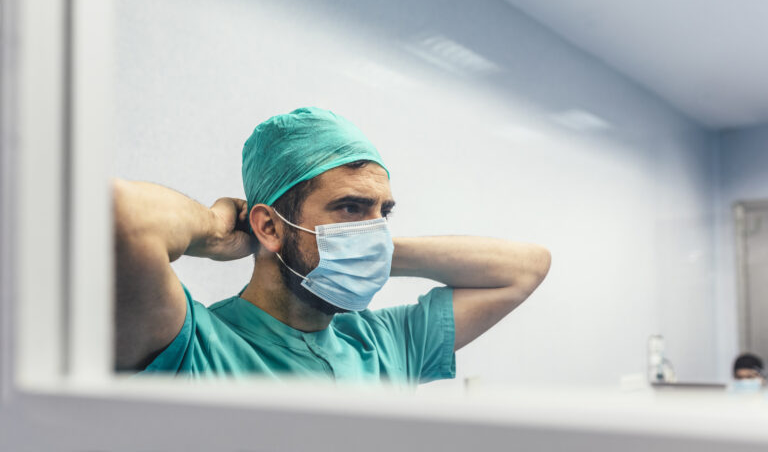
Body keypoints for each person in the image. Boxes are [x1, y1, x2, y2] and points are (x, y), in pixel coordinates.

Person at [113, 107, 551, 386]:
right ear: (268, 225)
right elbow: (124, 216)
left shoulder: (382, 344)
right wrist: (212, 228)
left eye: (384, 213)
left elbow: (525, 268)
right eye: (350, 208)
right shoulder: (195, 346)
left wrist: (371, 247)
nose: (374, 229)